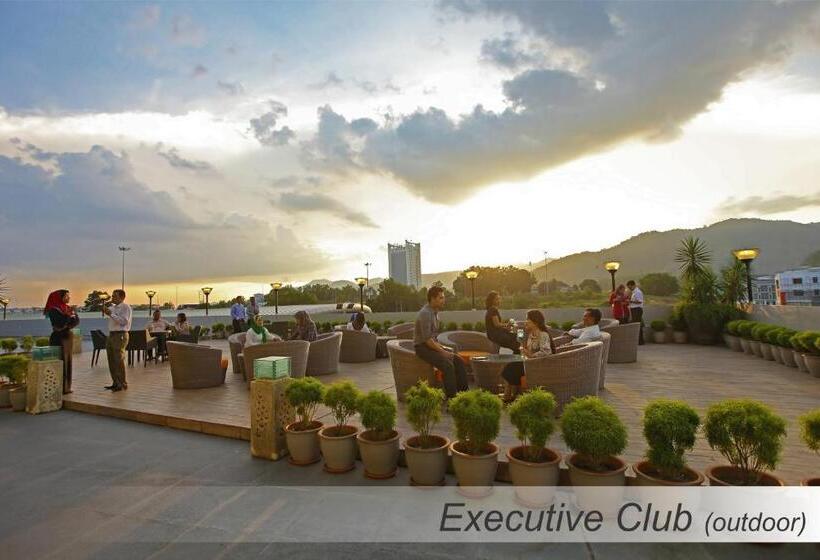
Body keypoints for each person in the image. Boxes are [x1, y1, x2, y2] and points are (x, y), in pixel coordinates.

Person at [413, 286, 468, 398]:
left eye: (443, 297)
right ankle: (452, 398)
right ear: (432, 299)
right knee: (448, 365)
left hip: (431, 345)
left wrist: (444, 348)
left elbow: (433, 339)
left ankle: (463, 395)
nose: (444, 300)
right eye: (441, 298)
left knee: (459, 361)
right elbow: (427, 340)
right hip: (422, 348)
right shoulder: (425, 313)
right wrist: (443, 352)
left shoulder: (435, 312)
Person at [500, 310, 554, 402]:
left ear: (535, 322)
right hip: (529, 362)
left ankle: (508, 395)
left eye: (527, 319)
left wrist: (531, 355)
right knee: (510, 366)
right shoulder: (531, 334)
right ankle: (511, 394)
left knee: (511, 367)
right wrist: (521, 345)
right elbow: (525, 349)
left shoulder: (543, 335)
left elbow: (546, 352)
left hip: (538, 365)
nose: (526, 321)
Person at [44, 289, 80, 394]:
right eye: (67, 296)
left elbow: (75, 322)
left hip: (67, 337)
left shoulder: (67, 308)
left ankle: (67, 387)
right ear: (60, 297)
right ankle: (60, 387)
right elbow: (59, 324)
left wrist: (70, 316)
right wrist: (68, 316)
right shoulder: (53, 310)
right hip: (58, 338)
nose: (69, 298)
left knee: (68, 361)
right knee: (61, 361)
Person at [102, 289, 132, 392]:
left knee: (118, 360)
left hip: (120, 335)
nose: (112, 297)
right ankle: (115, 382)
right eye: (112, 295)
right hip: (111, 335)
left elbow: (124, 322)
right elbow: (109, 315)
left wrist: (111, 314)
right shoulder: (112, 308)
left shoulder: (125, 307)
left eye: (114, 296)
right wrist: (107, 310)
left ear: (122, 297)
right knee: (111, 359)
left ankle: (122, 383)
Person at [626, 280, 645, 345]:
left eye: (630, 287)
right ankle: (639, 340)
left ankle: (640, 341)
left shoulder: (638, 292)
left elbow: (640, 301)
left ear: (633, 285)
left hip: (637, 310)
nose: (629, 288)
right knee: (636, 325)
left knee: (637, 325)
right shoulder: (634, 292)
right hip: (634, 310)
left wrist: (630, 301)